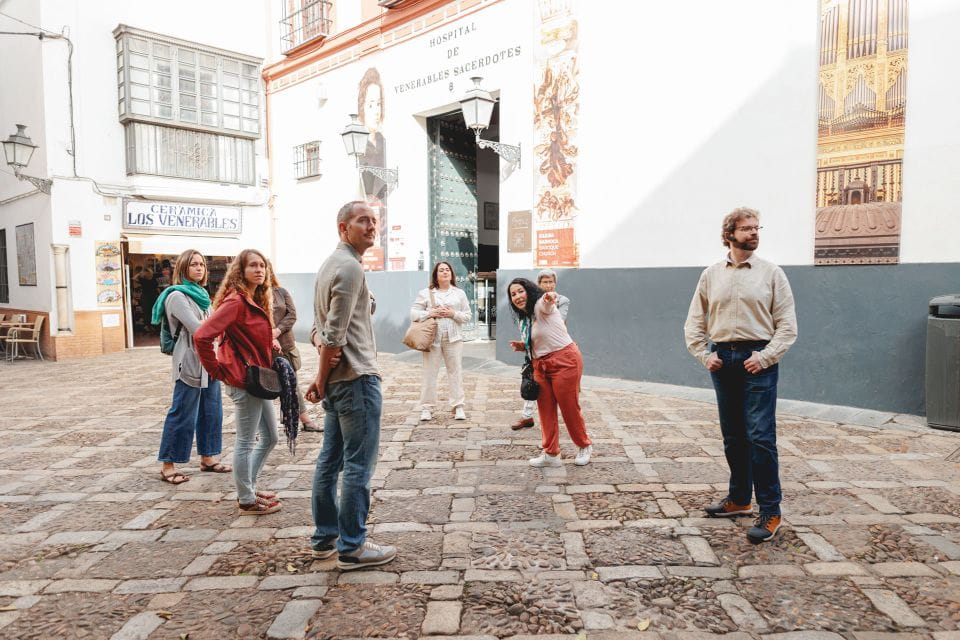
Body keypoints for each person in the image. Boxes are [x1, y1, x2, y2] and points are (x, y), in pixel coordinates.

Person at [684, 207, 797, 543]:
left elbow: (788, 325)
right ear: (729, 234)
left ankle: (771, 510)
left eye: (756, 227)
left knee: (761, 437)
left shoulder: (772, 273)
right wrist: (705, 354)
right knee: (733, 435)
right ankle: (738, 500)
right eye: (746, 228)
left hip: (758, 360)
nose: (754, 233)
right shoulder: (710, 275)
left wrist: (766, 357)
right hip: (723, 360)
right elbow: (695, 320)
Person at [306, 201, 396, 570]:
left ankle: (324, 539)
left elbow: (320, 330)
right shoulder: (347, 267)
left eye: (374, 221)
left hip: (342, 381)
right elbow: (333, 335)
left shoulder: (334, 265)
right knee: (358, 466)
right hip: (357, 379)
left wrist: (324, 375)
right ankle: (353, 547)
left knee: (330, 461)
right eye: (363, 221)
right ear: (344, 227)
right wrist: (319, 380)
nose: (372, 226)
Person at [195, 249, 282, 516]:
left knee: (270, 437)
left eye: (262, 266)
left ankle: (250, 487)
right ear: (240, 272)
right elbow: (201, 336)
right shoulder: (235, 302)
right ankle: (246, 498)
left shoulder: (253, 299)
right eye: (253, 266)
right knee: (246, 441)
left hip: (258, 379)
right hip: (244, 381)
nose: (259, 270)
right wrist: (218, 371)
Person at [155, 250, 228, 484]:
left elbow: (212, 325)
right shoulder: (177, 296)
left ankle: (208, 457)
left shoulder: (202, 296)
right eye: (193, 264)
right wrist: (220, 325)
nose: (199, 268)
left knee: (212, 411)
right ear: (183, 268)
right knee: (182, 413)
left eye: (202, 265)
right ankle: (168, 464)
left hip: (209, 361)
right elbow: (200, 329)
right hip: (188, 361)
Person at [507, 277, 593, 467]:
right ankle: (551, 453)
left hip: (565, 361)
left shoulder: (539, 305)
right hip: (541, 365)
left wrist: (549, 297)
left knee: (569, 407)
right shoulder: (526, 317)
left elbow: (547, 302)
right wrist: (523, 346)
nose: (517, 297)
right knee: (545, 410)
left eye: (521, 291)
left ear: (529, 290)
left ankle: (584, 445)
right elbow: (542, 338)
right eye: (513, 294)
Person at [411, 261, 472, 422]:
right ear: (436, 275)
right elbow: (413, 313)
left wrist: (452, 313)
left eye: (447, 270)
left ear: (451, 274)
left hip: (454, 338)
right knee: (430, 373)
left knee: (455, 371)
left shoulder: (459, 293)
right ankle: (426, 407)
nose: (445, 272)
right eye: (441, 270)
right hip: (433, 339)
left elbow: (467, 315)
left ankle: (458, 406)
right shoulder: (426, 293)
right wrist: (430, 313)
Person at [513, 269, 570, 430]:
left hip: (554, 348)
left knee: (558, 388)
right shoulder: (530, 300)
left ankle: (561, 420)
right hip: (533, 346)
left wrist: (548, 302)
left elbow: (560, 319)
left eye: (551, 282)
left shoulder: (562, 300)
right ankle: (527, 416)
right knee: (530, 381)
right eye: (545, 282)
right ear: (538, 284)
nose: (548, 285)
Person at [270, 270, 321, 432]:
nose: (260, 270)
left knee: (292, 385)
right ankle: (264, 425)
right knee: (265, 386)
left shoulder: (280, 292)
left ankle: (304, 420)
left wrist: (277, 331)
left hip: (286, 348)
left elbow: (292, 315)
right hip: (265, 351)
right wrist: (268, 336)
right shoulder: (251, 295)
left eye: (263, 266)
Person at [138, 269, 159, 334]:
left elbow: (157, 288)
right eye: (145, 273)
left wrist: (160, 295)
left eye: (147, 273)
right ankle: (148, 326)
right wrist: (140, 273)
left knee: (153, 311)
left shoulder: (154, 279)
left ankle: (152, 326)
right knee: (146, 311)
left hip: (153, 297)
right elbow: (134, 278)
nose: (146, 274)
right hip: (145, 298)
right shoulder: (143, 280)